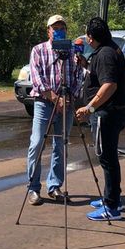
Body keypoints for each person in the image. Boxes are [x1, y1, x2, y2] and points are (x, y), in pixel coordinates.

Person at [26, 15, 83, 205]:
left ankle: (55, 186)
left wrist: (70, 96)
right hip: (44, 102)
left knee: (61, 145)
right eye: (55, 27)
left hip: (66, 103)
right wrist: (52, 96)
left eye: (62, 27)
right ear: (48, 31)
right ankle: (33, 188)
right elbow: (36, 77)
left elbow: (78, 76)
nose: (58, 30)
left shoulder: (73, 50)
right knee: (37, 143)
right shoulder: (39, 50)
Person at [75, 16, 125, 221]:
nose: (86, 39)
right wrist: (86, 64)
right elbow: (101, 76)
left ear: (91, 37)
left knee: (107, 159)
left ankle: (112, 207)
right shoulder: (107, 49)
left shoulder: (105, 54)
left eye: (87, 34)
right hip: (110, 112)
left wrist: (89, 107)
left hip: (108, 114)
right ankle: (111, 198)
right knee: (108, 157)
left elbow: (109, 85)